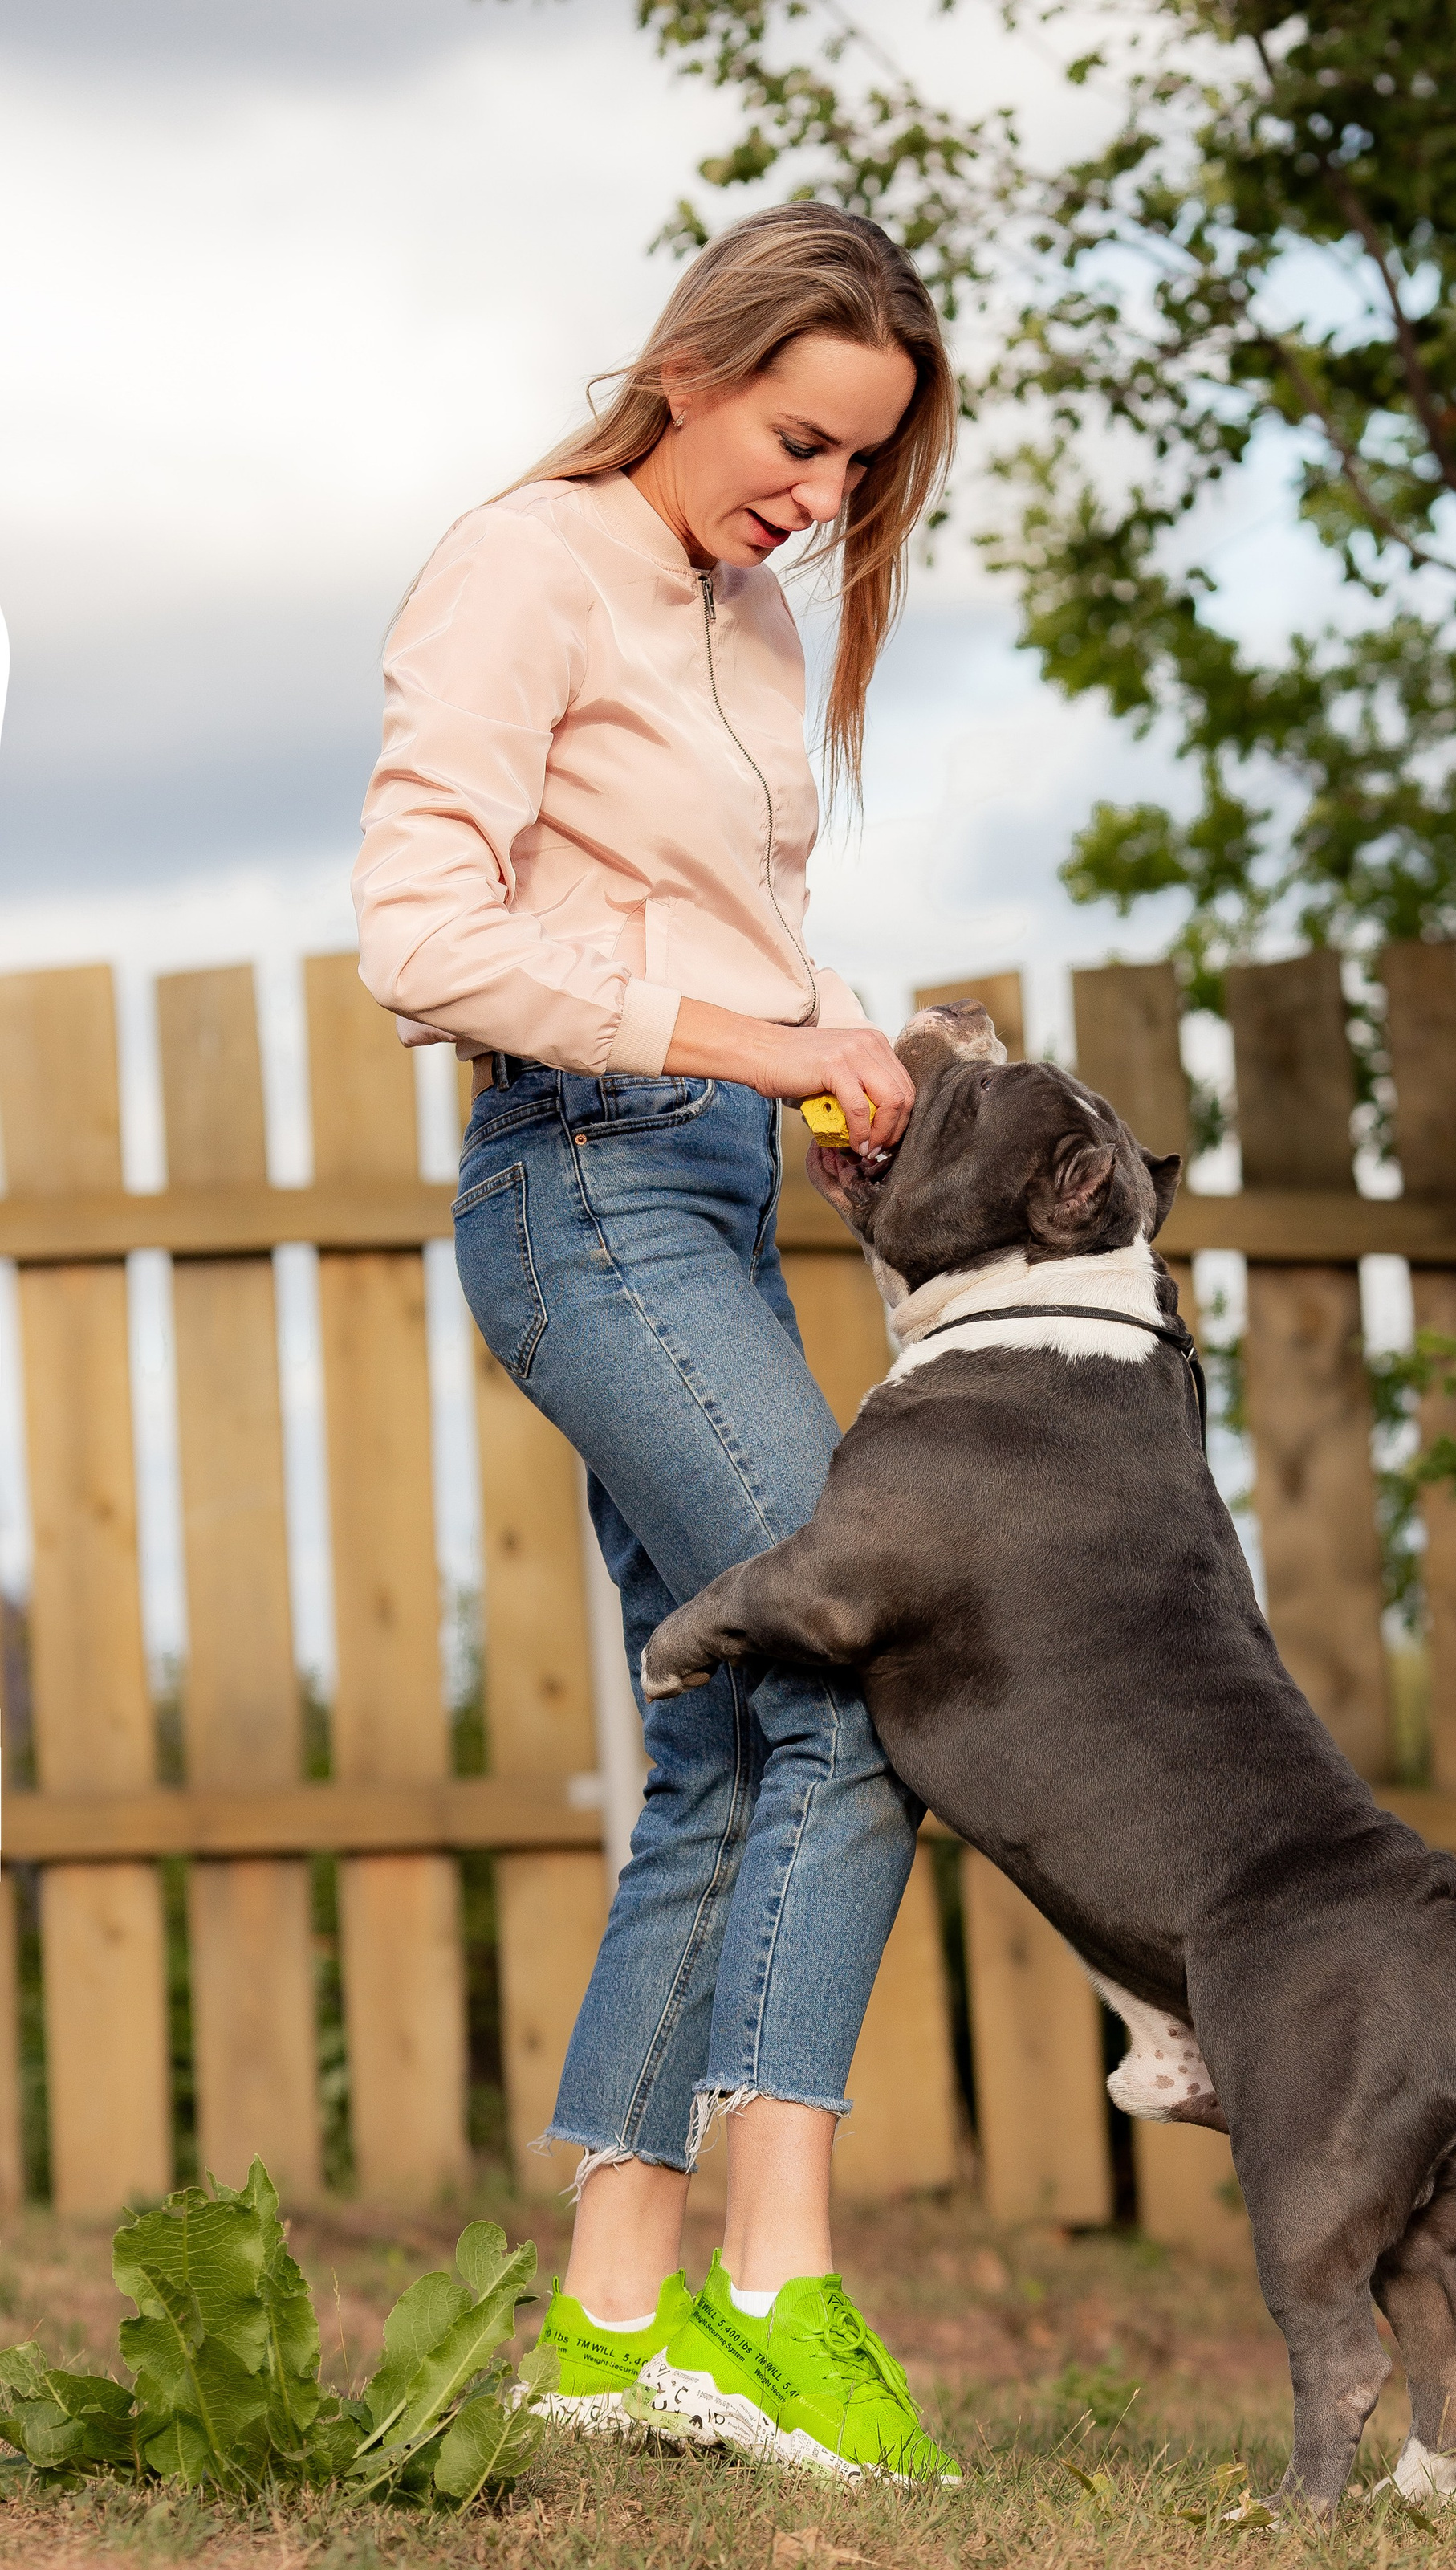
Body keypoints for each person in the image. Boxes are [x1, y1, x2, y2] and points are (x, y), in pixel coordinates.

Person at [354, 203, 957, 2482]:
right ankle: (779, 2297)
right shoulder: (528, 563)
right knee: (864, 1668)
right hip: (585, 1177)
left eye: (858, 474)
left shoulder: (749, 619)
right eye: (800, 441)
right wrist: (737, 1030)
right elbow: (425, 935)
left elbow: (705, 908)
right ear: (694, 365)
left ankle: (610, 2332)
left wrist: (799, 1057)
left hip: (694, 1180)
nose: (815, 501)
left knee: (722, 1739)